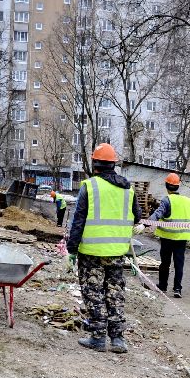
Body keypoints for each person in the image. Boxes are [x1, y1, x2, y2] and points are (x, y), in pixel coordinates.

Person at [67, 143, 142, 354]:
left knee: (94, 293)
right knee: (115, 293)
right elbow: (137, 217)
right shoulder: (129, 190)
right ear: (113, 165)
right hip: (117, 252)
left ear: (96, 164)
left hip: (91, 253)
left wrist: (71, 249)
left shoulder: (90, 187)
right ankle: (117, 339)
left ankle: (98, 338)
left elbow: (78, 220)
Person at [148, 173, 190, 298]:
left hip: (168, 238)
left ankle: (163, 286)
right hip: (182, 238)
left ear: (166, 185)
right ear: (178, 186)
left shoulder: (167, 200)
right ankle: (177, 289)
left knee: (165, 263)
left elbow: (158, 213)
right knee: (179, 264)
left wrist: (146, 223)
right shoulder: (189, 201)